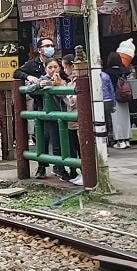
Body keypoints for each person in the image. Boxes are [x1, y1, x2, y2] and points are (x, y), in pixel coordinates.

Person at [29, 57, 69, 180]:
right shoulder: (43, 79)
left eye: (55, 67)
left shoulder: (63, 79)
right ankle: (42, 167)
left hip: (60, 115)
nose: (53, 70)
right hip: (44, 115)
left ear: (60, 68)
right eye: (50, 67)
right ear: (45, 69)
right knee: (42, 142)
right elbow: (29, 90)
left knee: (58, 143)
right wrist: (39, 85)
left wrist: (60, 84)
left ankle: (59, 167)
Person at [60, 54, 83, 186]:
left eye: (65, 67)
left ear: (72, 66)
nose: (64, 70)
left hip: (78, 118)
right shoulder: (72, 80)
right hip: (74, 119)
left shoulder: (77, 80)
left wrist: (63, 87)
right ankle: (82, 173)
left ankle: (86, 174)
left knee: (81, 147)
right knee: (77, 146)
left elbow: (72, 101)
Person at [103, 51, 132, 149]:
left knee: (116, 120)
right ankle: (127, 139)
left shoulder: (107, 72)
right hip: (125, 97)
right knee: (125, 119)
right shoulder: (125, 71)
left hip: (115, 97)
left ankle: (120, 141)